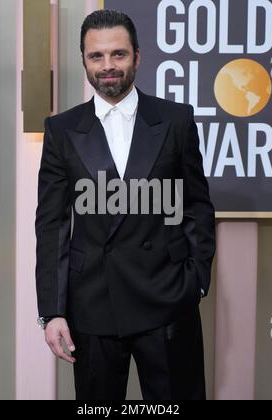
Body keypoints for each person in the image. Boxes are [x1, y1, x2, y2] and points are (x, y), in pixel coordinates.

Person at [35, 9, 216, 400]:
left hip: (167, 298)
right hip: (91, 303)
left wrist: (196, 280)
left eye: (118, 54)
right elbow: (51, 225)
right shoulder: (61, 130)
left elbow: (196, 206)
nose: (108, 66)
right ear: (83, 59)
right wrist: (53, 310)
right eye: (96, 56)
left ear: (137, 55)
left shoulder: (176, 120)